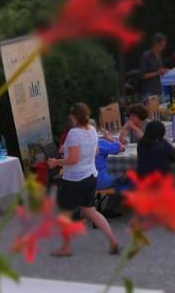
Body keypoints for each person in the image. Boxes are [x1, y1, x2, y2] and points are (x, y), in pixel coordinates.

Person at [47, 102, 121, 256]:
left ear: (74, 116)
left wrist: (56, 162)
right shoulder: (92, 130)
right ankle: (113, 241)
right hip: (90, 176)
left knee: (65, 213)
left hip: (74, 179)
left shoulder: (74, 133)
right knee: (91, 211)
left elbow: (73, 159)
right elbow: (94, 153)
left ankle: (66, 248)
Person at [139, 32, 168, 99]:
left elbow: (158, 70)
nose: (163, 48)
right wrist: (158, 72)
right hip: (149, 92)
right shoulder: (146, 56)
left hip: (158, 89)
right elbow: (143, 75)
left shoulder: (159, 55)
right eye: (162, 45)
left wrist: (163, 71)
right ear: (156, 44)